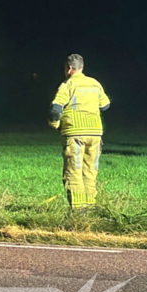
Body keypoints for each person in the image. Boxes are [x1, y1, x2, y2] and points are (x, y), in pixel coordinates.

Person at [48, 54, 110, 210]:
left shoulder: (67, 84)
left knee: (73, 171)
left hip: (75, 133)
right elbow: (105, 105)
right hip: (95, 133)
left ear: (69, 69)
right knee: (90, 170)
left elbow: (55, 109)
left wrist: (54, 123)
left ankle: (78, 209)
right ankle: (90, 205)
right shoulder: (95, 84)